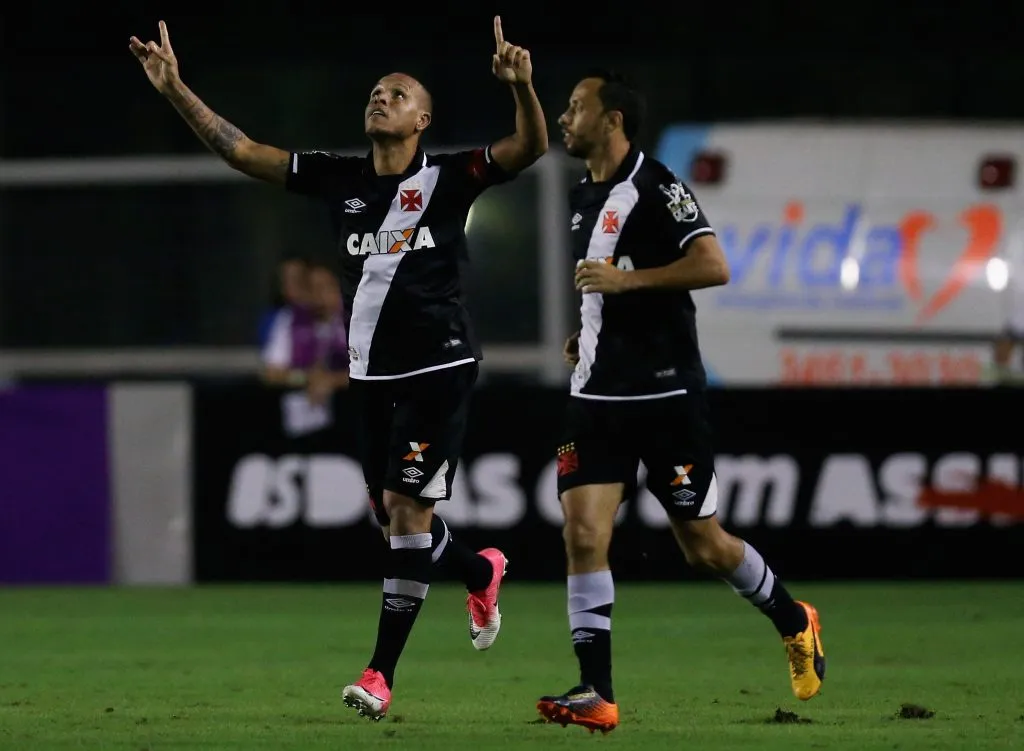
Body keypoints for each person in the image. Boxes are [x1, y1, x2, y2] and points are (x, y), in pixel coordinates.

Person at [129, 17, 548, 721]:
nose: (381, 98)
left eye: (397, 93)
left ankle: (380, 674)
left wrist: (524, 88)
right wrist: (176, 90)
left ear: (423, 118)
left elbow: (529, 147)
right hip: (370, 377)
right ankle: (481, 568)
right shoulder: (337, 179)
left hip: (438, 368)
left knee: (410, 514)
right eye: (376, 91)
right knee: (393, 519)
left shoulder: (448, 178)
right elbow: (244, 153)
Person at [535, 70, 825, 734]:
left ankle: (793, 618)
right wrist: (590, 330)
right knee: (582, 534)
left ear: (613, 121)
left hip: (666, 394)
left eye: (576, 108)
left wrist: (626, 282)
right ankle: (597, 691)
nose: (564, 118)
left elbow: (713, 264)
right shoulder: (586, 193)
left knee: (702, 545)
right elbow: (605, 285)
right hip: (596, 397)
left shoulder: (657, 184)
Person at [261, 261, 350, 404]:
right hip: (300, 408)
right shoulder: (289, 320)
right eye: (312, 288)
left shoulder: (352, 322)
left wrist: (332, 380)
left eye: (325, 288)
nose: (319, 295)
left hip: (347, 406)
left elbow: (369, 372)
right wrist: (306, 378)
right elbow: (271, 373)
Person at [257, 256, 311, 348]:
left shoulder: (326, 315)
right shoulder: (274, 320)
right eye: (285, 280)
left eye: (297, 279)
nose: (290, 285)